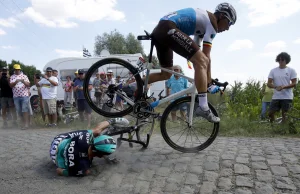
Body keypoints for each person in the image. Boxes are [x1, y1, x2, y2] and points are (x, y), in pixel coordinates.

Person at [141, 3, 237, 123]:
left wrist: (208, 80)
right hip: (169, 28)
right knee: (201, 61)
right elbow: (205, 57)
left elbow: (197, 49)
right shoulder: (212, 23)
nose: (228, 28)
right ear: (222, 16)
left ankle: (137, 85)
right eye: (230, 23)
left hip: (161, 29)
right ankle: (203, 106)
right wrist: (209, 83)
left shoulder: (203, 24)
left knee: (166, 74)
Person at [50, 117, 129, 177]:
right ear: (100, 155)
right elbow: (58, 170)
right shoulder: (84, 168)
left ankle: (113, 120)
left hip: (59, 140)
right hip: (54, 157)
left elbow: (97, 131)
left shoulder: (85, 137)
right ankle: (112, 122)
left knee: (95, 131)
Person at [267, 52, 297, 124]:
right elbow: (268, 83)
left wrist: (284, 87)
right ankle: (273, 127)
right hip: (276, 96)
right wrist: (275, 87)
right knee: (270, 113)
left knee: (285, 114)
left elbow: (294, 83)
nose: (280, 61)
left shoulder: (291, 70)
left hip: (287, 96)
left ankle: (283, 130)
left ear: (286, 60)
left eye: (282, 59)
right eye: (279, 60)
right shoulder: (273, 71)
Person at [9, 64, 31, 130]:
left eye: (18, 69)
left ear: (20, 69)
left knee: (25, 109)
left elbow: (28, 84)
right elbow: (11, 86)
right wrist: (15, 82)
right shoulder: (12, 77)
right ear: (14, 70)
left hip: (24, 95)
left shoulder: (24, 76)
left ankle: (26, 124)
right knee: (19, 111)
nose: (17, 70)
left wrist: (23, 81)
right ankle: (22, 123)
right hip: (16, 96)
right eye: (16, 69)